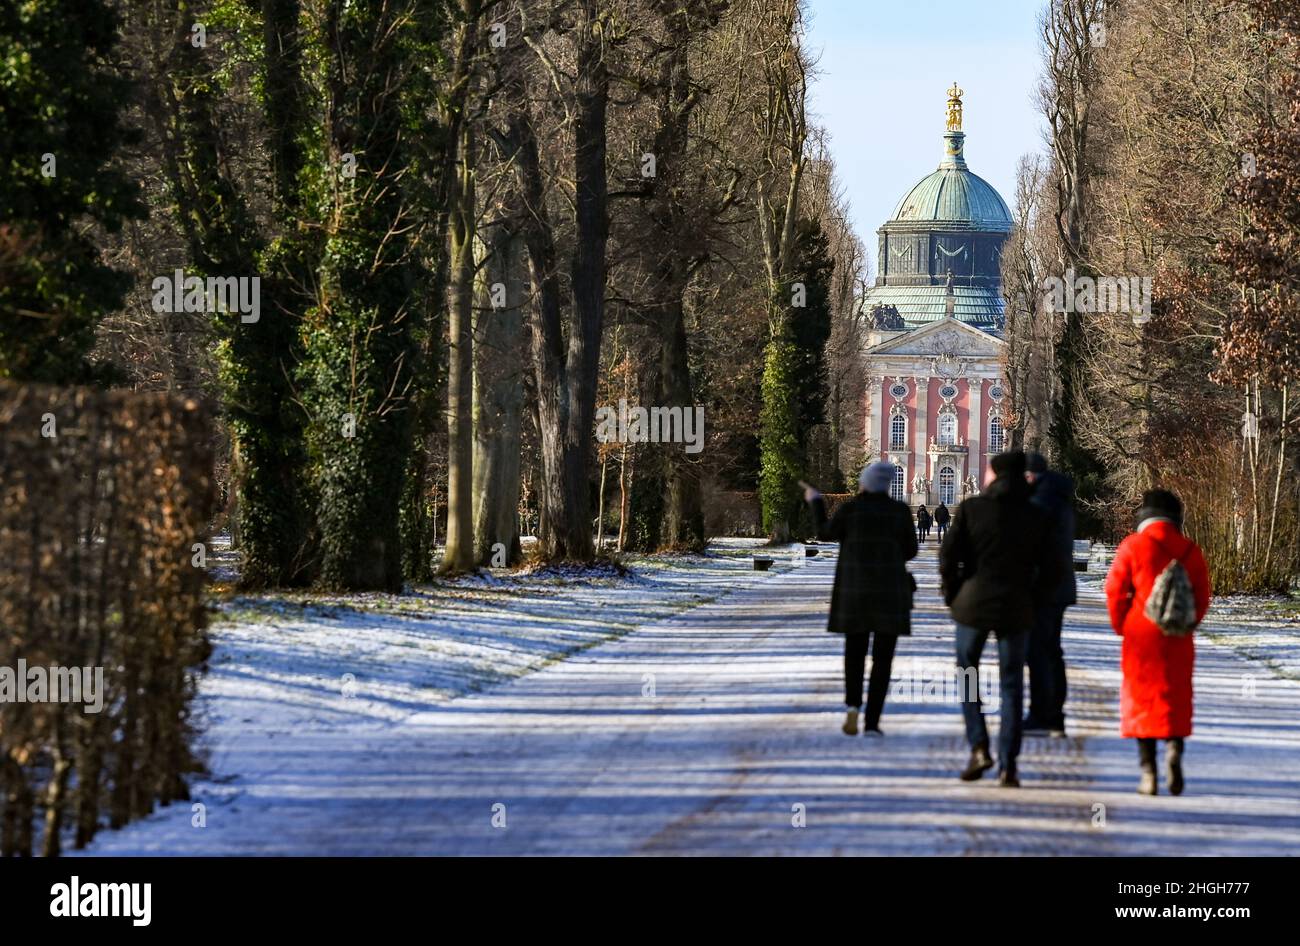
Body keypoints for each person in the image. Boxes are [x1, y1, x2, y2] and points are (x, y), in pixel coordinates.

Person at [939, 451, 1059, 787]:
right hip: (1017, 606)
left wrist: (953, 595)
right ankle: (1009, 765)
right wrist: (1034, 600)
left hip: (972, 605)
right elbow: (1052, 568)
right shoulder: (1036, 515)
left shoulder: (972, 509)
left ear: (993, 475)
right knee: (1011, 686)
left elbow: (948, 557)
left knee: (968, 675)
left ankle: (979, 746)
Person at [1105, 490, 1211, 795]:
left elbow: (1114, 591)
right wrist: (1189, 622)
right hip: (1178, 634)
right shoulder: (1190, 550)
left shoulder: (1133, 546)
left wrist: (1122, 625)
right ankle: (1175, 751)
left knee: (1141, 700)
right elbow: (1202, 596)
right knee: (1175, 695)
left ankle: (1148, 772)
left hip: (1141, 634)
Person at [804, 462, 918, 738]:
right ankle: (872, 722)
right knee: (883, 660)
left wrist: (816, 502)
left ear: (865, 483)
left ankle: (853, 707)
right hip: (890, 594)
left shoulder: (851, 509)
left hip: (854, 593)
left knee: (854, 654)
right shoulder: (899, 511)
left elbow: (824, 533)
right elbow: (911, 550)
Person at [1023, 452, 1077, 738]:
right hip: (1059, 587)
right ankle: (1053, 715)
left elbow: (1035, 547)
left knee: (1039, 652)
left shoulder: (1041, 502)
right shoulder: (1058, 498)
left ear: (1030, 476)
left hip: (1043, 588)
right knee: (1052, 652)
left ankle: (1043, 714)